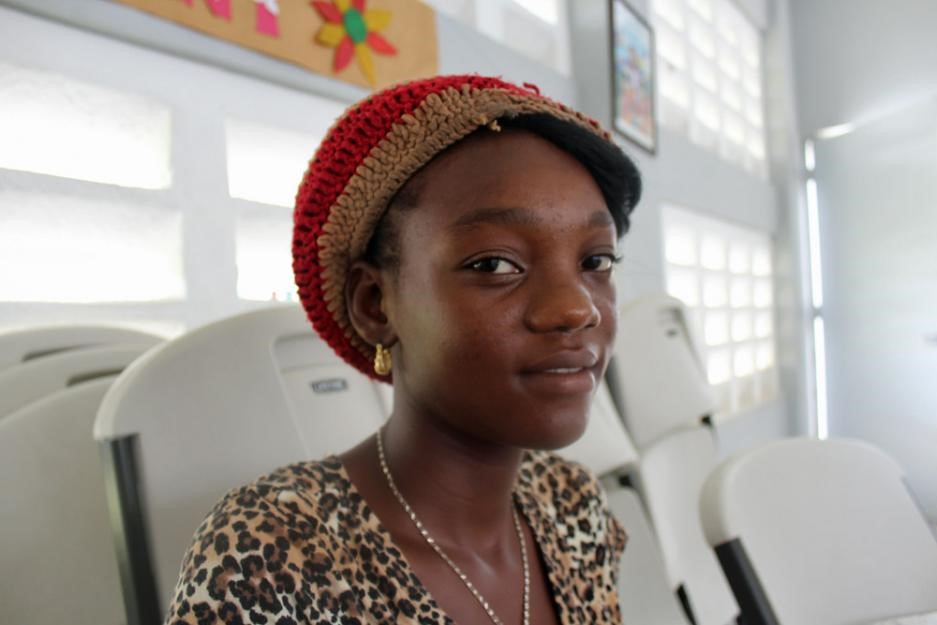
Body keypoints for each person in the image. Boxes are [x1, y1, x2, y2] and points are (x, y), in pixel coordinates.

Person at [164, 74, 642, 625]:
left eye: (597, 262)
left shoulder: (573, 504)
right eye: (494, 265)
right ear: (375, 304)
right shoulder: (275, 557)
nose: (576, 309)